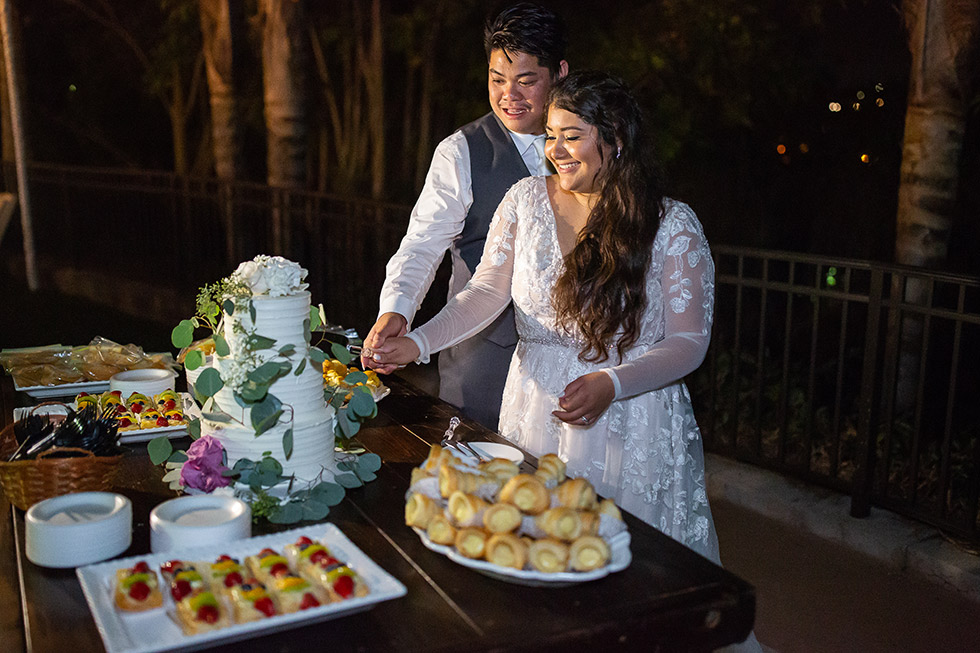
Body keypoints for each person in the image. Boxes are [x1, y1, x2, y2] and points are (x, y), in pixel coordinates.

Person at [367, 70, 721, 561]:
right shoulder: (525, 199)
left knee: (630, 567)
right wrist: (417, 342)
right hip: (535, 409)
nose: (555, 150)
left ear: (616, 141)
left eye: (572, 136)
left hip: (631, 415)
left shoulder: (671, 224)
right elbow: (486, 291)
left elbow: (689, 341)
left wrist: (611, 383)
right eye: (551, 135)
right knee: (534, 554)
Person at [362, 3, 568, 430]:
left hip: (568, 356)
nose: (508, 96)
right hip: (480, 353)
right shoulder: (460, 151)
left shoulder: (586, 146)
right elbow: (422, 243)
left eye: (526, 81)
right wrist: (396, 311)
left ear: (560, 74)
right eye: (497, 80)